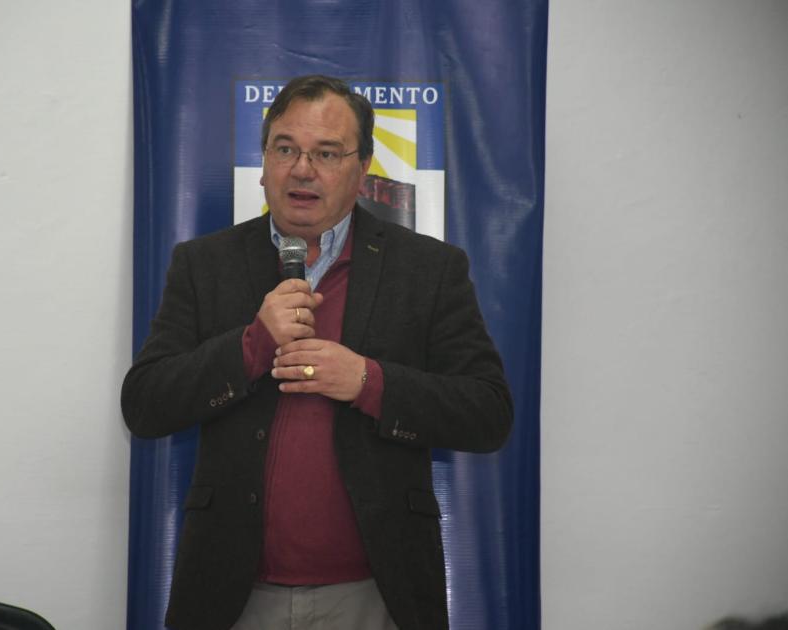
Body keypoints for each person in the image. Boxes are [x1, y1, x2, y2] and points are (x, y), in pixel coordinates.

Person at [121, 74, 513, 630]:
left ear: (363, 170)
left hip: (378, 594)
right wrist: (252, 345)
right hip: (232, 593)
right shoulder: (203, 264)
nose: (302, 169)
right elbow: (144, 405)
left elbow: (488, 413)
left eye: (327, 153)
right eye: (286, 149)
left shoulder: (429, 270)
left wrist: (368, 382)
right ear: (263, 163)